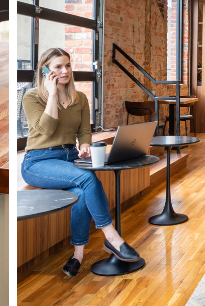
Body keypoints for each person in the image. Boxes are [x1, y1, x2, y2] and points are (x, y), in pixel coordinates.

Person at [21, 47, 141, 277]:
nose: (65, 70)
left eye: (67, 65)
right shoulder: (32, 97)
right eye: (57, 67)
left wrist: (85, 144)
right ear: (46, 70)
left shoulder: (80, 98)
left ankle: (78, 255)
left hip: (68, 158)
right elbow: (46, 129)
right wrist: (53, 94)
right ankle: (112, 238)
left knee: (83, 192)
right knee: (88, 178)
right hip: (38, 161)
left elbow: (85, 130)